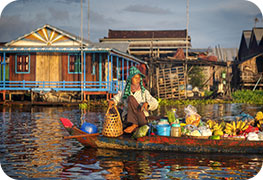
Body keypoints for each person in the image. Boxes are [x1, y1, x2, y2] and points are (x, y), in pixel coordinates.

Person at [108, 66, 159, 133]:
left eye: (139, 78)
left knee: (131, 98)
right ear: (130, 79)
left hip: (141, 119)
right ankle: (124, 126)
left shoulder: (144, 92)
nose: (138, 80)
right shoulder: (125, 91)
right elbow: (117, 98)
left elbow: (155, 102)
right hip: (127, 120)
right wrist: (113, 101)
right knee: (113, 108)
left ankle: (134, 125)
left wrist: (148, 104)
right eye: (135, 78)